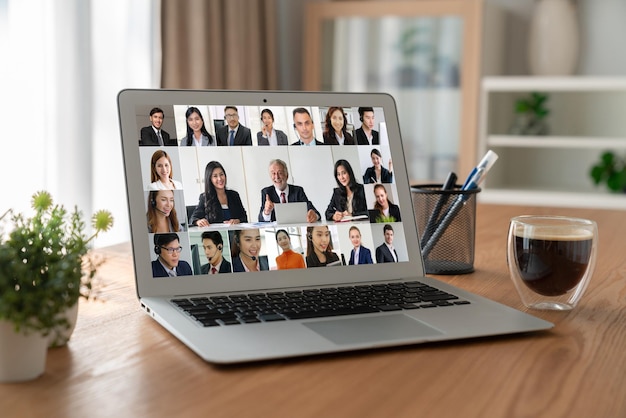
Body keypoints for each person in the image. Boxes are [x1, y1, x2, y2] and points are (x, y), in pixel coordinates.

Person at [258, 159, 320, 223]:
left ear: (287, 175)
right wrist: (266, 212)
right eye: (273, 173)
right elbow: (261, 220)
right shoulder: (266, 192)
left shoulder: (298, 191)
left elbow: (314, 212)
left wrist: (314, 215)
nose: (277, 177)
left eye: (280, 173)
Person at [189, 161, 248, 226]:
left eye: (221, 174)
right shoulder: (205, 197)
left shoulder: (234, 195)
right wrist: (198, 221)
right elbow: (193, 218)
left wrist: (238, 220)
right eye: (215, 176)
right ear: (210, 179)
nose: (219, 178)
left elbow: (244, 217)